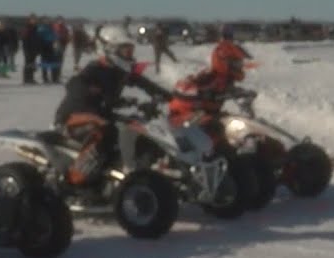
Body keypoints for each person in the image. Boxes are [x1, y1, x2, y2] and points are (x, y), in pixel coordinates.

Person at [53, 25, 173, 189]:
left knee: (140, 128)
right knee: (106, 132)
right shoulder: (95, 69)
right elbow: (74, 84)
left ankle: (136, 172)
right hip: (73, 117)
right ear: (109, 49)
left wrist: (172, 97)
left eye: (130, 50)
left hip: (102, 114)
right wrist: (92, 93)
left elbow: (145, 84)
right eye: (125, 50)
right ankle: (74, 180)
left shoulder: (120, 70)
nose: (129, 55)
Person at [167, 38, 254, 132]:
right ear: (225, 61)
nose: (239, 66)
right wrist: (204, 93)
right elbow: (183, 88)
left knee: (232, 129)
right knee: (221, 135)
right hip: (185, 118)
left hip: (206, 115)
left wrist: (241, 93)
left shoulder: (226, 78)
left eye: (240, 63)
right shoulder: (210, 75)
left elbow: (226, 90)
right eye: (236, 63)